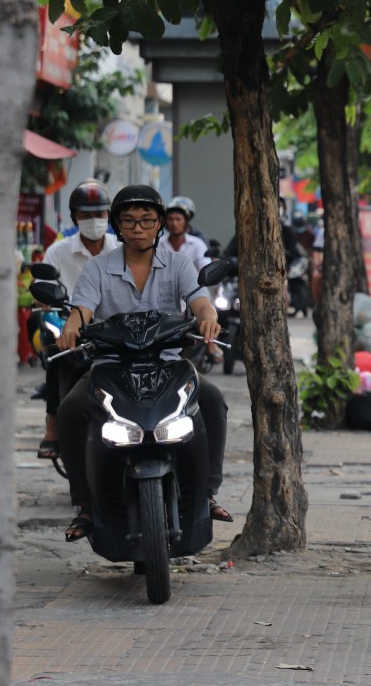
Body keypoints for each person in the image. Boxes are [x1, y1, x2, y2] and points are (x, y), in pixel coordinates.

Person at [55, 185, 231, 543]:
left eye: (147, 221)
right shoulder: (97, 268)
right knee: (70, 411)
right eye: (129, 221)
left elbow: (200, 302)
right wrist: (72, 327)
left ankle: (207, 493)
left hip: (168, 365)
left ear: (160, 225)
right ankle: (86, 505)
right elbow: (82, 309)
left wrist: (209, 318)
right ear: (118, 226)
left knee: (212, 401)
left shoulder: (180, 264)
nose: (138, 228)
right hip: (110, 366)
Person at [36, 180, 119, 460]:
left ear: (109, 215)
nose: (94, 220)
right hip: (69, 327)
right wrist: (46, 302)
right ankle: (53, 427)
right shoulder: (58, 251)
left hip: (116, 329)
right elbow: (43, 287)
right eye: (86, 215)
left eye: (100, 214)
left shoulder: (121, 249)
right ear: (75, 218)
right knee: (55, 356)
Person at [163, 196, 210, 271]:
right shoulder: (158, 244)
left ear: (186, 222)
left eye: (178, 219)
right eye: (171, 219)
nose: (174, 224)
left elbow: (206, 270)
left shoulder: (198, 243)